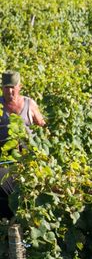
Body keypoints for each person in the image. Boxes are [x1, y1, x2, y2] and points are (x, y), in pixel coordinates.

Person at [1, 71, 47, 219]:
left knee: (28, 194)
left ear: (19, 87)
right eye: (6, 87)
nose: (9, 91)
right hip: (4, 160)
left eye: (12, 87)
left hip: (27, 159)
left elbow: (42, 127)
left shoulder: (29, 104)